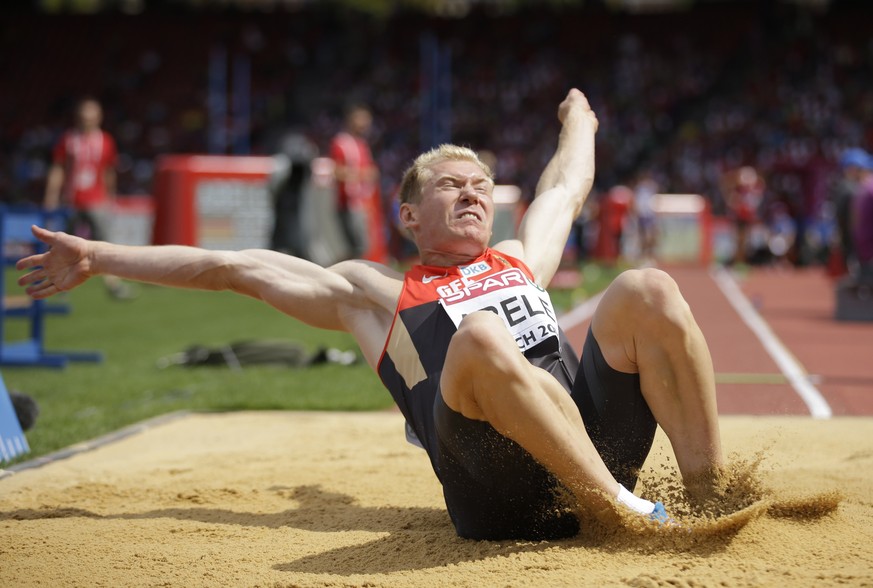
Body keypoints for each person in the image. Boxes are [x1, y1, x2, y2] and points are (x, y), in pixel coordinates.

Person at [18, 89, 725, 540]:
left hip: (586, 437)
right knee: (479, 336)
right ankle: (612, 508)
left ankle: (708, 493)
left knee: (646, 288)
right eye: (451, 185)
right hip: (496, 492)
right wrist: (101, 256)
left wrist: (581, 120)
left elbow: (566, 187)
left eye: (481, 184)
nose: (472, 193)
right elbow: (231, 269)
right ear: (410, 214)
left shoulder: (516, 258)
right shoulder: (372, 293)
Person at [43, 97, 133, 299]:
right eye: (84, 116)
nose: (87, 120)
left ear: (99, 118)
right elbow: (58, 167)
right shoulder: (69, 139)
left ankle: (113, 285)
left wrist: (110, 197)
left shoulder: (106, 140)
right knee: (63, 245)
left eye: (91, 116)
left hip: (97, 200)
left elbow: (109, 171)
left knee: (106, 245)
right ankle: (57, 283)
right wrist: (52, 195)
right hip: (72, 200)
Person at [329, 103, 382, 261]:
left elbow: (370, 172)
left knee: (360, 246)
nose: (365, 123)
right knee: (358, 246)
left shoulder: (362, 144)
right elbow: (336, 171)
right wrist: (362, 175)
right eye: (362, 119)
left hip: (362, 203)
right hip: (348, 202)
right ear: (351, 119)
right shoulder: (341, 143)